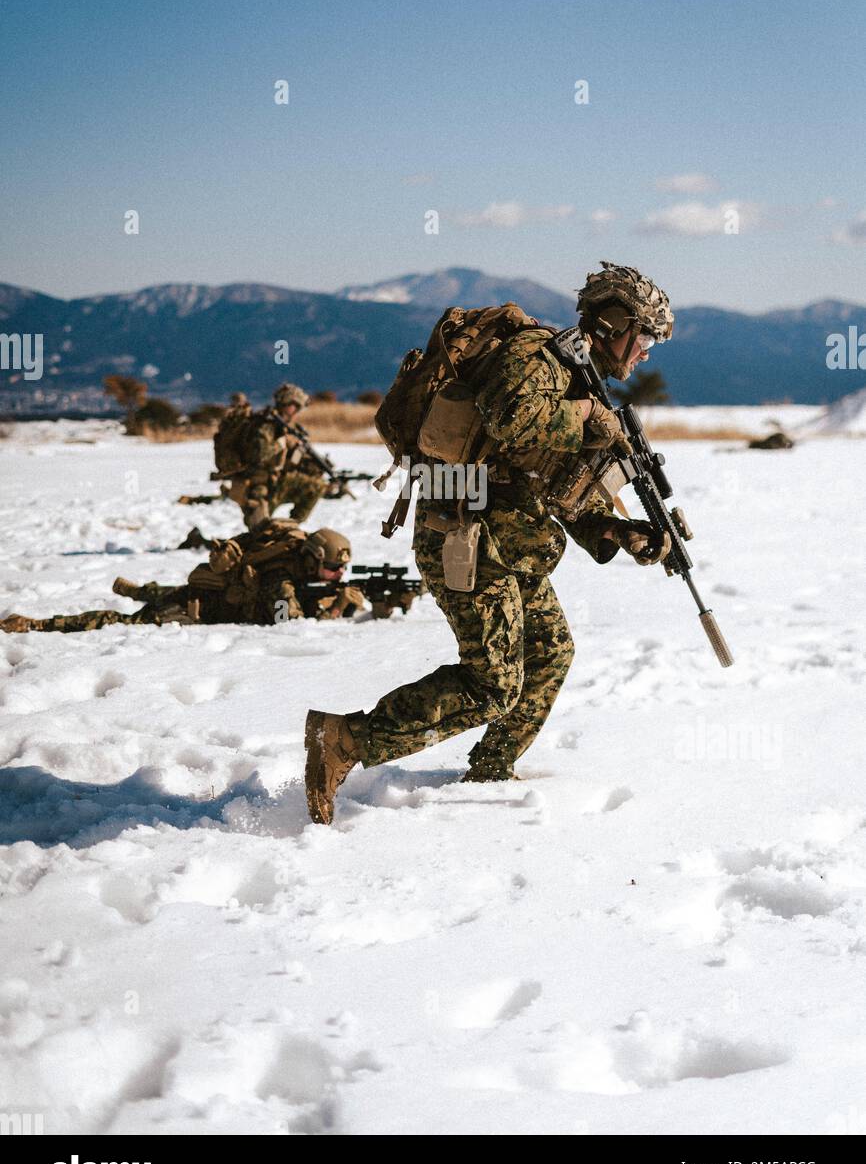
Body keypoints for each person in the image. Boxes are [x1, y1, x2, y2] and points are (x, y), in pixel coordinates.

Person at [304, 261, 675, 824]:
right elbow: (513, 418)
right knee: (492, 685)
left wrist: (617, 528)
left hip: (512, 543)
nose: (646, 351)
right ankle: (344, 740)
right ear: (613, 323)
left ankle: (490, 772)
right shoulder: (538, 359)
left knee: (551, 654)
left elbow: (557, 483)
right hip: (463, 534)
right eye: (643, 336)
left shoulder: (578, 380)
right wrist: (586, 416)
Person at [1, 524, 364, 633]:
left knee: (172, 591)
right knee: (124, 623)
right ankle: (36, 625)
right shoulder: (280, 579)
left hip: (211, 591)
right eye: (334, 569)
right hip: (197, 610)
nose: (339, 575)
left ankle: (141, 590)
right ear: (314, 558)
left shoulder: (293, 560)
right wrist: (336, 609)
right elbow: (288, 624)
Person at [233, 383, 328, 528]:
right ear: (284, 403)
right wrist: (283, 442)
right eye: (294, 406)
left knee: (316, 486)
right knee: (259, 531)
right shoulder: (266, 424)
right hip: (258, 485)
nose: (296, 411)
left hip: (279, 481)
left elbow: (292, 459)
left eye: (298, 407)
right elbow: (260, 455)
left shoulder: (289, 427)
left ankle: (291, 526)